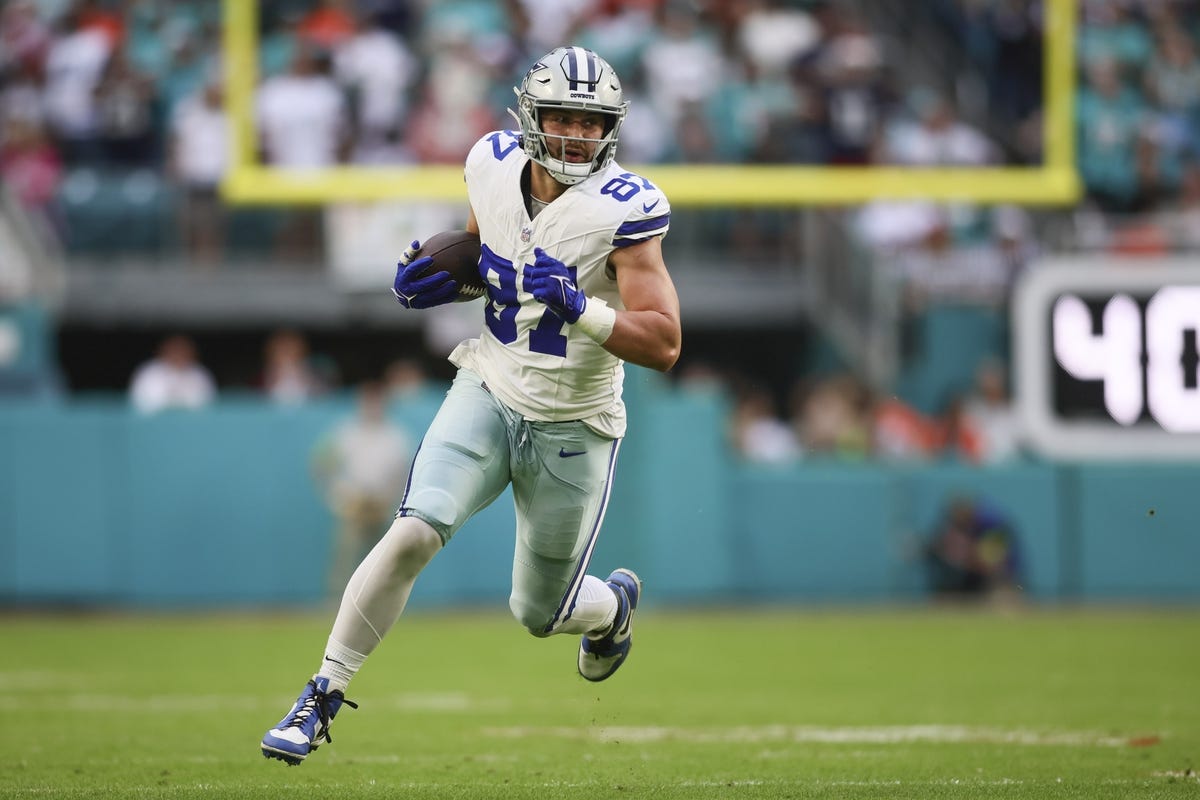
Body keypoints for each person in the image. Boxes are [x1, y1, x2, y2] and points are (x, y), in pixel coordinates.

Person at [261, 46, 682, 765]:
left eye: (592, 122)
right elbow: (491, 257)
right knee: (414, 531)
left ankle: (609, 609)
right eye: (564, 117)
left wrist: (580, 306)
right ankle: (320, 695)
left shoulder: (627, 210)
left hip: (574, 425)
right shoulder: (489, 162)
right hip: (488, 386)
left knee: (537, 612)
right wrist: (442, 278)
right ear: (531, 116)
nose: (578, 134)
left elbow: (665, 343)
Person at [311, 380, 413, 598]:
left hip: (381, 505)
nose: (373, 407)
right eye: (369, 402)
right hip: (353, 504)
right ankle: (338, 607)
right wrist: (337, 496)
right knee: (346, 560)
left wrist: (394, 501)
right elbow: (321, 465)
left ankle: (382, 604)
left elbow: (405, 473)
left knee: (385, 561)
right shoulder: (346, 432)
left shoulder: (395, 435)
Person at [128, 334, 216, 414]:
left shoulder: (200, 374)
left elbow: (207, 402)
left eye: (183, 350)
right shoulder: (148, 372)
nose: (178, 354)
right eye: (175, 350)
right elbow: (139, 401)